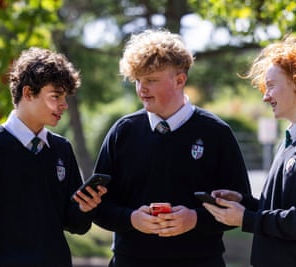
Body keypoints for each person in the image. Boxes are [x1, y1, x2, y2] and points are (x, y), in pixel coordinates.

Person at [92, 29, 251, 267]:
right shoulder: (122, 132)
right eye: (138, 80)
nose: (142, 89)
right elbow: (98, 207)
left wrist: (195, 219)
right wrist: (132, 219)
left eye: (151, 80)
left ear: (180, 80)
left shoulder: (216, 133)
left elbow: (241, 205)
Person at [0, 47, 107, 267]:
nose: (64, 105)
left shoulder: (62, 149)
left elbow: (75, 225)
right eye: (56, 96)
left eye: (65, 97)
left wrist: (85, 207)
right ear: (28, 93)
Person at [203, 36, 296, 267]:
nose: (265, 96)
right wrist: (246, 203)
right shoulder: (291, 140)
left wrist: (246, 219)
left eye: (271, 85)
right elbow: (284, 210)